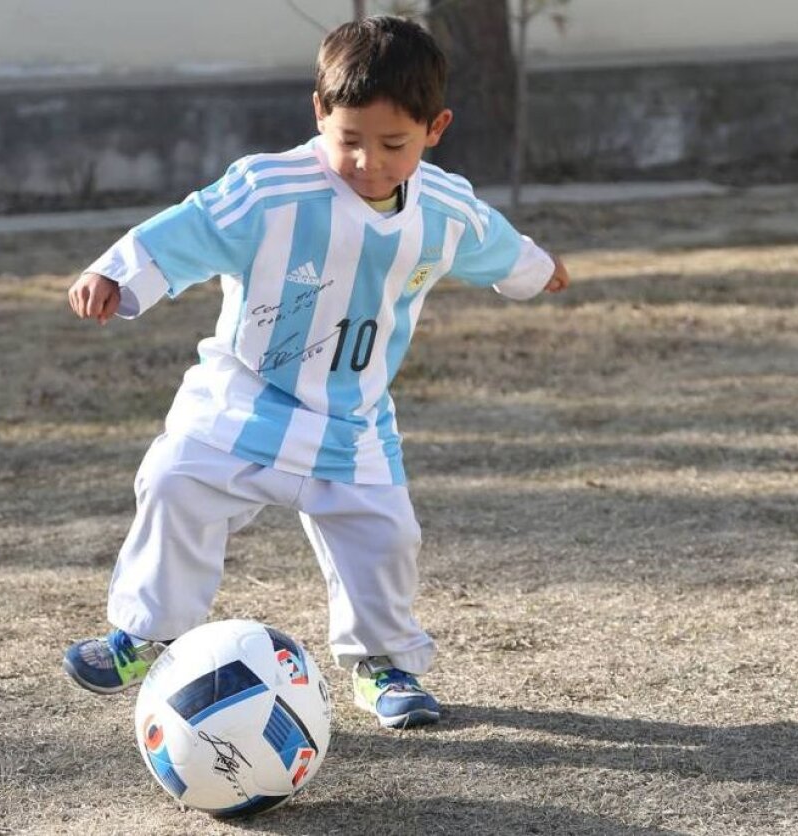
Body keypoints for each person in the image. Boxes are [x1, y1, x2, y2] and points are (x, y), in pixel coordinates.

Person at [63, 15, 569, 729]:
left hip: (350, 419)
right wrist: (113, 272)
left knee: (385, 539)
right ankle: (145, 635)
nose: (368, 162)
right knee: (174, 483)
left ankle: (383, 664)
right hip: (242, 401)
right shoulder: (269, 190)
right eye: (349, 140)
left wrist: (539, 270)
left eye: (393, 144)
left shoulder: (443, 208)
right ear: (318, 114)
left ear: (436, 128)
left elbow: (494, 240)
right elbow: (189, 226)